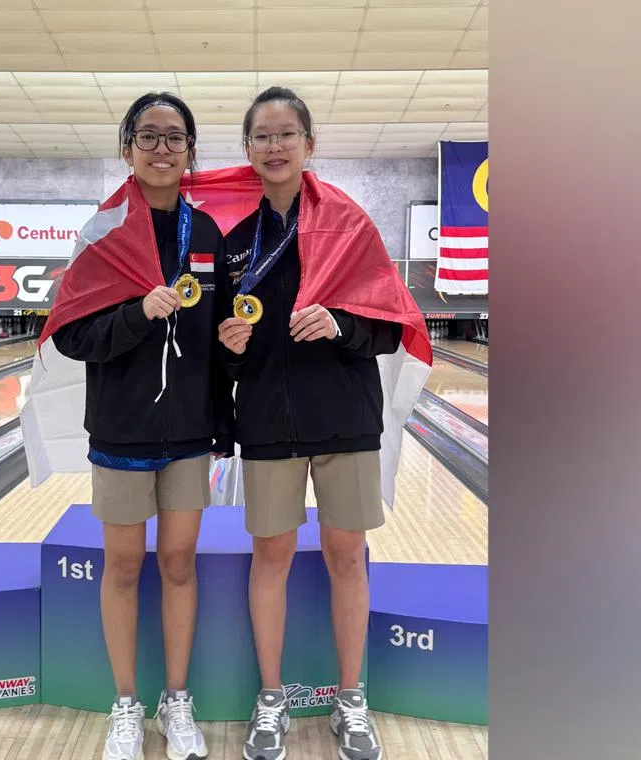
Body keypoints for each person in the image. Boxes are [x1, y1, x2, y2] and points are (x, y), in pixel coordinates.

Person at [217, 87, 406, 760]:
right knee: (270, 556)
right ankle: (271, 700)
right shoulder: (236, 246)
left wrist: (342, 324)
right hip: (267, 424)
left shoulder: (351, 227)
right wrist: (226, 346)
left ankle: (349, 700)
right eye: (262, 136)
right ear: (248, 150)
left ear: (309, 144)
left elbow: (389, 329)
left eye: (286, 133)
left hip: (344, 421)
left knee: (346, 556)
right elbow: (221, 351)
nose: (274, 146)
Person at [51, 92, 231, 760]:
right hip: (122, 433)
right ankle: (125, 704)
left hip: (187, 433)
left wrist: (231, 354)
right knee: (124, 565)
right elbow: (72, 337)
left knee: (179, 563)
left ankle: (174, 700)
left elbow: (212, 341)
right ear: (127, 147)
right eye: (149, 136)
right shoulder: (102, 234)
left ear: (189, 152)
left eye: (175, 138)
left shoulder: (207, 236)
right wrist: (136, 314)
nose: (162, 149)